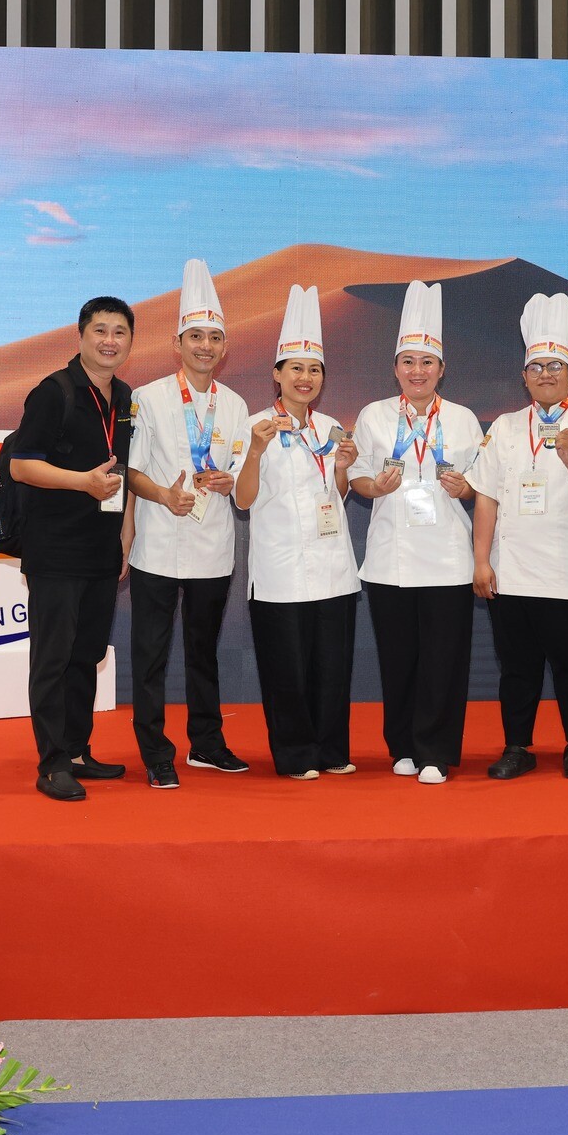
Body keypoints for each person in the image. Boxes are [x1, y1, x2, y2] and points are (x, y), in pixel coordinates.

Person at [466, 293, 568, 781]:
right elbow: (486, 498)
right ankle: (517, 747)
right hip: (511, 572)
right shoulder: (506, 427)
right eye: (536, 367)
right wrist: (481, 561)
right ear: (524, 376)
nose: (546, 375)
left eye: (555, 366)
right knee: (517, 668)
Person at [347, 281, 481, 785]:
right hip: (391, 557)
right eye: (408, 362)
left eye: (427, 362)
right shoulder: (373, 415)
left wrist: (465, 487)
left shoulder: (463, 419)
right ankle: (402, 745)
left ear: (441, 369)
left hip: (448, 557)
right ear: (395, 367)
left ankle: (436, 751)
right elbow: (357, 477)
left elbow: (482, 483)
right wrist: (374, 486)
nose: (417, 371)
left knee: (444, 659)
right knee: (398, 658)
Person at [124, 259, 252, 788]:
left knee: (204, 652)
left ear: (225, 348)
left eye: (214, 338)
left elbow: (242, 473)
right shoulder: (147, 398)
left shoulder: (235, 405)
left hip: (212, 546)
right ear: (177, 344)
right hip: (157, 542)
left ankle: (207, 744)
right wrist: (163, 495)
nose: (205, 346)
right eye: (195, 337)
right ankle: (156, 752)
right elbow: (131, 471)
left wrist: (227, 480)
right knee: (151, 655)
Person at [9, 295, 137, 802]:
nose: (110, 341)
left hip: (101, 549)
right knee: (53, 658)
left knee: (86, 656)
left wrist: (126, 534)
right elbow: (22, 465)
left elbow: (123, 471)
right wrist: (82, 482)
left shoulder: (124, 397)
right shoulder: (53, 392)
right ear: (81, 335)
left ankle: (78, 751)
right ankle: (52, 763)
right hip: (56, 550)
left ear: (130, 341)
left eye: (120, 332)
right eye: (100, 330)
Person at [233, 286, 363, 779]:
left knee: (332, 665)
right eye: (295, 369)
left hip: (332, 568)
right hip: (280, 570)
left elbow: (338, 494)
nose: (305, 378)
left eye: (314, 370)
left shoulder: (331, 427)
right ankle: (295, 755)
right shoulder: (256, 426)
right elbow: (243, 500)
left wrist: (344, 467)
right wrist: (254, 452)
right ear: (277, 374)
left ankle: (332, 751)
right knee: (285, 669)